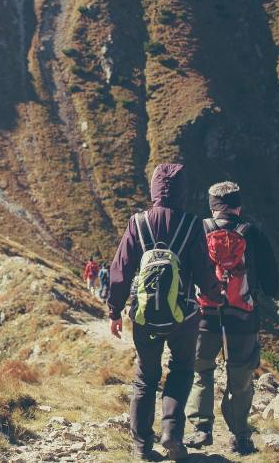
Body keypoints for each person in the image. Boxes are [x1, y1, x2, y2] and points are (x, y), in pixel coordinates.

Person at [107, 163, 223, 461]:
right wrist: (213, 295)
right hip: (183, 316)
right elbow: (202, 270)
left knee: (146, 376)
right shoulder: (191, 223)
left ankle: (142, 445)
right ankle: (172, 433)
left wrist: (114, 311)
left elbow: (119, 270)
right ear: (183, 191)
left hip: (144, 316)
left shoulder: (137, 222)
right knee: (182, 369)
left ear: (154, 189)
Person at [184, 181, 279, 455]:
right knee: (240, 377)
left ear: (212, 206)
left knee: (201, 371)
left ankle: (201, 428)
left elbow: (185, 274)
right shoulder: (252, 234)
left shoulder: (197, 230)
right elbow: (270, 284)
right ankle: (240, 436)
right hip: (242, 318)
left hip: (204, 315)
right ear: (238, 206)